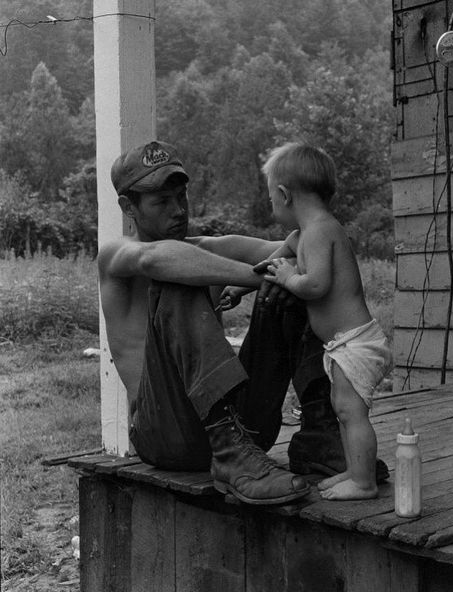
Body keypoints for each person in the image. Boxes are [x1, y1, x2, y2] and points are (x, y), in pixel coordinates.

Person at [98, 139, 388, 506]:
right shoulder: (115, 256)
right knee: (181, 280)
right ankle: (229, 455)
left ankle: (319, 432)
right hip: (167, 435)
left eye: (181, 197)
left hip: (245, 427)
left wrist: (291, 265)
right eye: (161, 202)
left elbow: (308, 249)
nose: (178, 211)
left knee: (294, 286)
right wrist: (263, 278)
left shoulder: (208, 247)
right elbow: (156, 260)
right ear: (129, 207)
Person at [258, 141, 392, 501]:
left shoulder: (320, 230)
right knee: (343, 409)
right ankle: (354, 470)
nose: (271, 203)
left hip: (356, 342)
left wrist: (289, 279)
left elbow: (316, 285)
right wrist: (237, 289)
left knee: (351, 412)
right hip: (343, 344)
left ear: (285, 195)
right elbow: (271, 264)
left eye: (270, 197)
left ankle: (363, 482)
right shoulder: (301, 234)